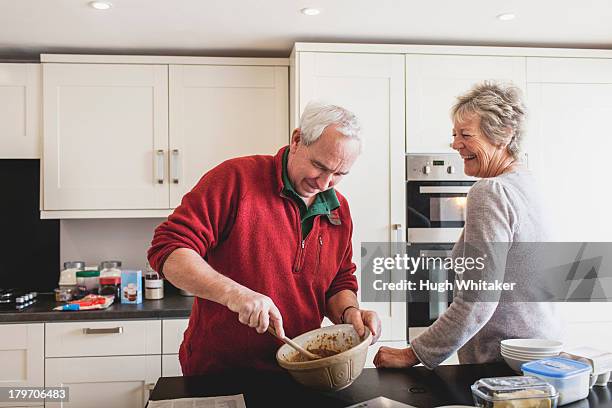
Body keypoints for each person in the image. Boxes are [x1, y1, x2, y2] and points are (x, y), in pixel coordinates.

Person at [148, 101, 382, 375]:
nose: (324, 183)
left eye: (339, 174)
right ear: (297, 140)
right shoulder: (236, 179)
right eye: (319, 166)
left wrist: (349, 313)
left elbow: (338, 282)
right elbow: (169, 248)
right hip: (221, 371)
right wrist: (235, 294)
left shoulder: (338, 208)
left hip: (302, 369)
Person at [374, 81, 561, 369]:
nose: (455, 143)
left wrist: (412, 354)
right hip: (537, 354)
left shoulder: (491, 191)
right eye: (454, 134)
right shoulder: (530, 182)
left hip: (502, 363)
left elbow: (478, 297)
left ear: (503, 135)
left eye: (465, 134)